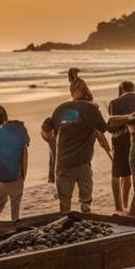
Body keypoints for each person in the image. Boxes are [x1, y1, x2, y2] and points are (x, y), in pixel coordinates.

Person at [51, 78, 111, 213]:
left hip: (63, 162)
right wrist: (108, 149)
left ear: (71, 91)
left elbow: (51, 132)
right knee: (85, 199)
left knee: (64, 199)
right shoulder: (90, 109)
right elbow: (101, 131)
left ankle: (64, 224)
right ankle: (85, 214)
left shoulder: (66, 111)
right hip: (82, 162)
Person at [108, 81, 135, 213]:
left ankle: (118, 206)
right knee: (129, 173)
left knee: (117, 173)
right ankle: (126, 203)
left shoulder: (114, 102)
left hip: (120, 139)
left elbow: (112, 125)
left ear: (121, 90)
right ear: (132, 88)